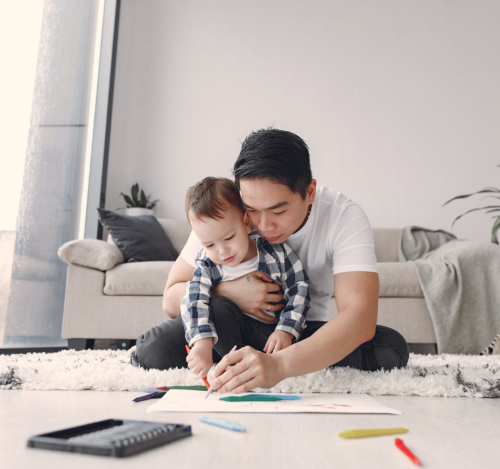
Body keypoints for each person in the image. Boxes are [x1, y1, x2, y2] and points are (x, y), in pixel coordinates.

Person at [131, 128, 409, 392]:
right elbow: (170, 301)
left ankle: (255, 362)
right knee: (151, 351)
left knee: (390, 349)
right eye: (251, 210)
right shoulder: (225, 212)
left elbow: (360, 319)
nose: (263, 225)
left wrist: (279, 366)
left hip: (292, 332)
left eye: (278, 211)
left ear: (309, 192)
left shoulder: (343, 217)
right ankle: (239, 359)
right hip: (225, 321)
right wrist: (230, 291)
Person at [181, 177, 310, 381]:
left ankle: (246, 365)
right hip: (225, 335)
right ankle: (228, 360)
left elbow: (299, 289)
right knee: (216, 308)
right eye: (209, 245)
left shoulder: (275, 253)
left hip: (269, 336)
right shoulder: (208, 263)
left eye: (229, 238)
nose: (222, 251)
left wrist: (285, 331)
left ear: (246, 223)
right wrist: (202, 343)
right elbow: (194, 299)